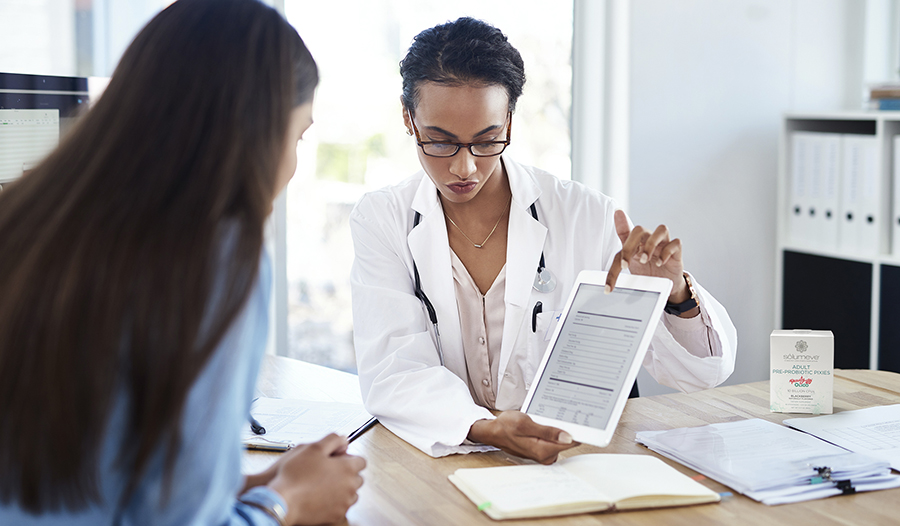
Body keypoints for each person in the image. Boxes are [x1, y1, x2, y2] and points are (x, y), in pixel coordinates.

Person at [0, 1, 365, 525]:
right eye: (299, 134)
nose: (293, 163)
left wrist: (237, 484)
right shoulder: (215, 254)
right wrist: (287, 504)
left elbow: (79, 469)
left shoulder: (29, 218)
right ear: (258, 127)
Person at [349, 17, 737, 464]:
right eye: (439, 142)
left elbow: (702, 374)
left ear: (509, 119)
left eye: (487, 140)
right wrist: (485, 426)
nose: (465, 168)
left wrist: (672, 294)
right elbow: (393, 370)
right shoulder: (383, 219)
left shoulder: (586, 215)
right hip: (451, 455)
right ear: (408, 119)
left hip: (573, 460)